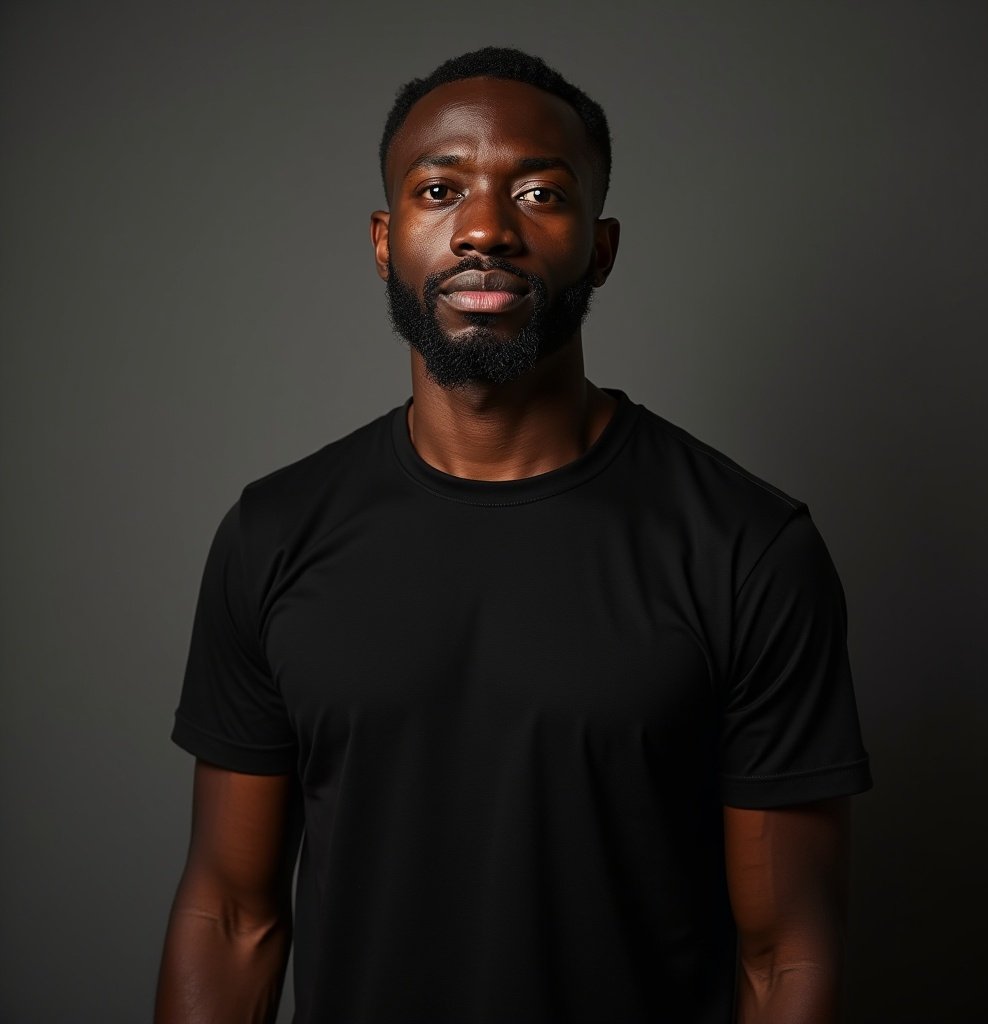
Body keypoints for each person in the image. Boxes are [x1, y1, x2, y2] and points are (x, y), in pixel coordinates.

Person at [155, 46, 872, 1024]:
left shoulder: (747, 547)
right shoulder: (273, 534)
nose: (484, 228)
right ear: (383, 238)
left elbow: (786, 953)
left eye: (539, 192)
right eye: (440, 188)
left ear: (602, 246)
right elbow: (231, 915)